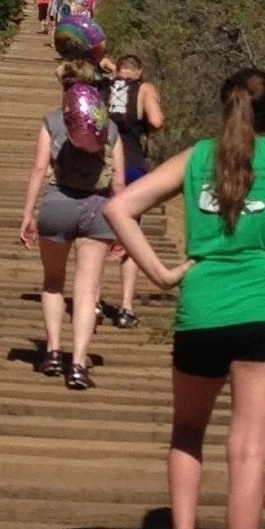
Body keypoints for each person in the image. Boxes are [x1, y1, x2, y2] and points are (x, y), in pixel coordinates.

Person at [103, 68, 265, 529]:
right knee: (247, 451)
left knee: (187, 431)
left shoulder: (195, 158)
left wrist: (159, 273)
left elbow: (118, 208)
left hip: (200, 309)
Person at [19, 60, 125, 390]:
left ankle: (52, 352)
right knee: (85, 291)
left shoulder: (52, 121)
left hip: (58, 204)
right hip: (98, 208)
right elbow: (119, 181)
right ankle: (78, 363)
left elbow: (39, 169)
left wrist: (27, 213)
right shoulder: (109, 127)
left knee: (53, 280)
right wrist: (123, 229)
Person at [104, 55, 165, 328]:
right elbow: (157, 120)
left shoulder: (102, 87)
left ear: (118, 69)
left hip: (103, 166)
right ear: (139, 72)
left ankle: (92, 301)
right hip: (132, 166)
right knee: (130, 235)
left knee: (98, 236)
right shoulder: (145, 89)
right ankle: (126, 307)